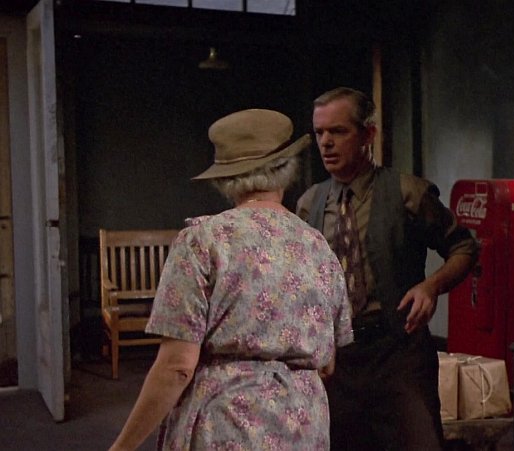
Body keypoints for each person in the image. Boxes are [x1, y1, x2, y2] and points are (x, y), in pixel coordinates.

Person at [109, 109, 353, 451]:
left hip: (227, 424)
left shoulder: (203, 241)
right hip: (304, 426)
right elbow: (327, 363)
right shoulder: (317, 246)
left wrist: (121, 448)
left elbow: (177, 366)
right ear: (286, 171)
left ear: (226, 178)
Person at [296, 87, 479, 450]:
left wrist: (431, 286)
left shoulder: (408, 193)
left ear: (368, 134)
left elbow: (464, 247)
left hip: (398, 353)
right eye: (320, 133)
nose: (326, 143)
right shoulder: (310, 204)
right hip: (338, 360)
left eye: (338, 131)